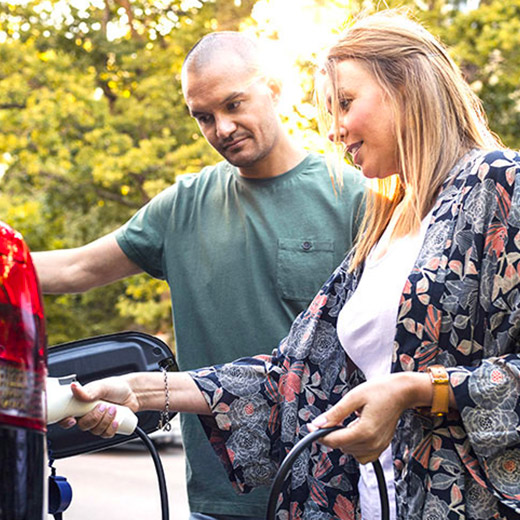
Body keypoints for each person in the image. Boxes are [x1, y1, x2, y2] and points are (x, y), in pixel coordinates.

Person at [62, 9, 520, 519]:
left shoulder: (500, 185)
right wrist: (137, 390)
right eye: (329, 111)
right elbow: (292, 375)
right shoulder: (390, 222)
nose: (336, 130)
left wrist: (418, 389)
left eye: (345, 104)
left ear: (408, 85)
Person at [34, 32, 365, 520]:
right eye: (204, 117)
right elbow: (78, 266)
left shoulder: (355, 196)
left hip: (330, 493)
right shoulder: (183, 205)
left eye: (234, 104)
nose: (222, 127)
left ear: (274, 87)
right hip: (217, 500)